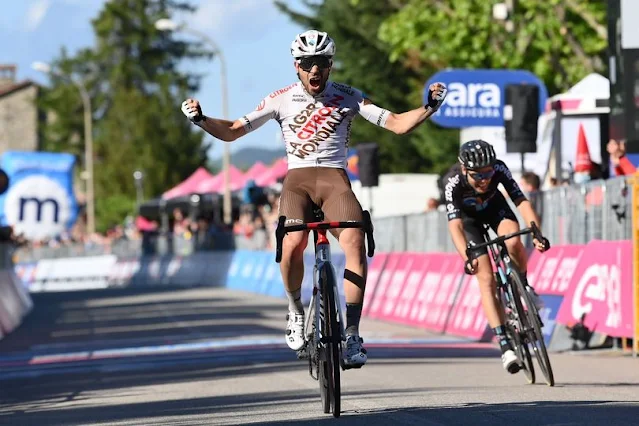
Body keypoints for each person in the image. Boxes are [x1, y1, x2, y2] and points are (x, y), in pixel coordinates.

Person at [181, 29, 448, 369]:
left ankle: (351, 333)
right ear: (297, 66)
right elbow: (233, 131)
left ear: (331, 64)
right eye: (308, 64)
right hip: (298, 181)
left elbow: (396, 124)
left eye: (321, 63)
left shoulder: (350, 96)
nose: (315, 70)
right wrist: (201, 120)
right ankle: (294, 310)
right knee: (292, 244)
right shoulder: (280, 98)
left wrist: (429, 106)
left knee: (354, 240)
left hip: (336, 179)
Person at [443, 140, 550, 374]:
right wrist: (466, 257)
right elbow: (455, 227)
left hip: (495, 210)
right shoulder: (452, 184)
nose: (485, 179)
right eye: (477, 175)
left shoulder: (499, 169)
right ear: (464, 170)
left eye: (488, 172)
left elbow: (521, 201)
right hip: (470, 223)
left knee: (513, 240)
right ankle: (504, 344)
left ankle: (523, 284)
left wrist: (536, 232)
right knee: (486, 278)